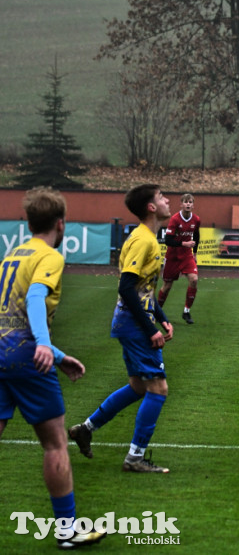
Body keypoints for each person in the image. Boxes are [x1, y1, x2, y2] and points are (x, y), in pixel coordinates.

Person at [0, 187, 106, 548]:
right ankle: (67, 530)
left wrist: (58, 356)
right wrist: (44, 345)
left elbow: (8, 318)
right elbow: (33, 299)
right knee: (55, 443)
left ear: (28, 222)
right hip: (23, 356)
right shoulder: (49, 257)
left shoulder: (12, 254)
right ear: (61, 224)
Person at [68, 184, 176, 473]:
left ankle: (86, 428)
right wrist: (149, 328)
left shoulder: (145, 237)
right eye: (162, 197)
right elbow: (126, 287)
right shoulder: (143, 240)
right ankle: (135, 458)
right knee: (158, 387)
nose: (168, 200)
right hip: (133, 324)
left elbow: (143, 289)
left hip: (130, 322)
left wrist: (161, 317)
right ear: (151, 207)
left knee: (138, 386)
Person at [157, 193, 200, 325]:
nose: (188, 204)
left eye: (190, 202)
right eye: (185, 202)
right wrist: (184, 244)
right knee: (167, 286)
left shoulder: (196, 219)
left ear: (193, 205)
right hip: (173, 255)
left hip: (186, 255)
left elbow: (196, 236)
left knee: (194, 279)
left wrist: (195, 253)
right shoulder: (175, 219)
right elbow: (168, 241)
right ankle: (156, 312)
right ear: (181, 204)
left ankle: (186, 311)